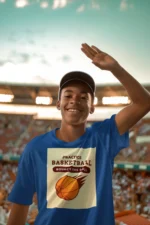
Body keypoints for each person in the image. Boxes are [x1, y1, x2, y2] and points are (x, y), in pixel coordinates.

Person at [7, 43, 150, 225]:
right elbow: (20, 202)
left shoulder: (103, 138)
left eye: (83, 97)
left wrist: (115, 68)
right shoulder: (36, 148)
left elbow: (144, 102)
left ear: (91, 107)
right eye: (68, 95)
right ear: (58, 103)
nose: (75, 100)